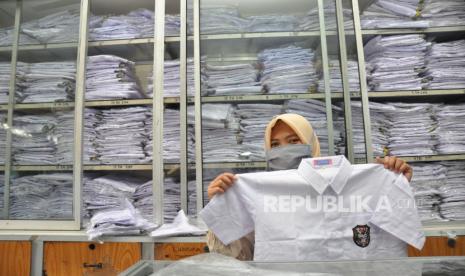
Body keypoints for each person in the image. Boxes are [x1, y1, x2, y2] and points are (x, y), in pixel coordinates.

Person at [205, 113, 413, 260]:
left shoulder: (353, 183)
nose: (284, 149)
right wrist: (223, 203)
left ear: (311, 143)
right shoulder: (256, 192)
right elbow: (232, 257)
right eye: (275, 145)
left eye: (294, 141)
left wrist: (394, 186)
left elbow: (389, 234)